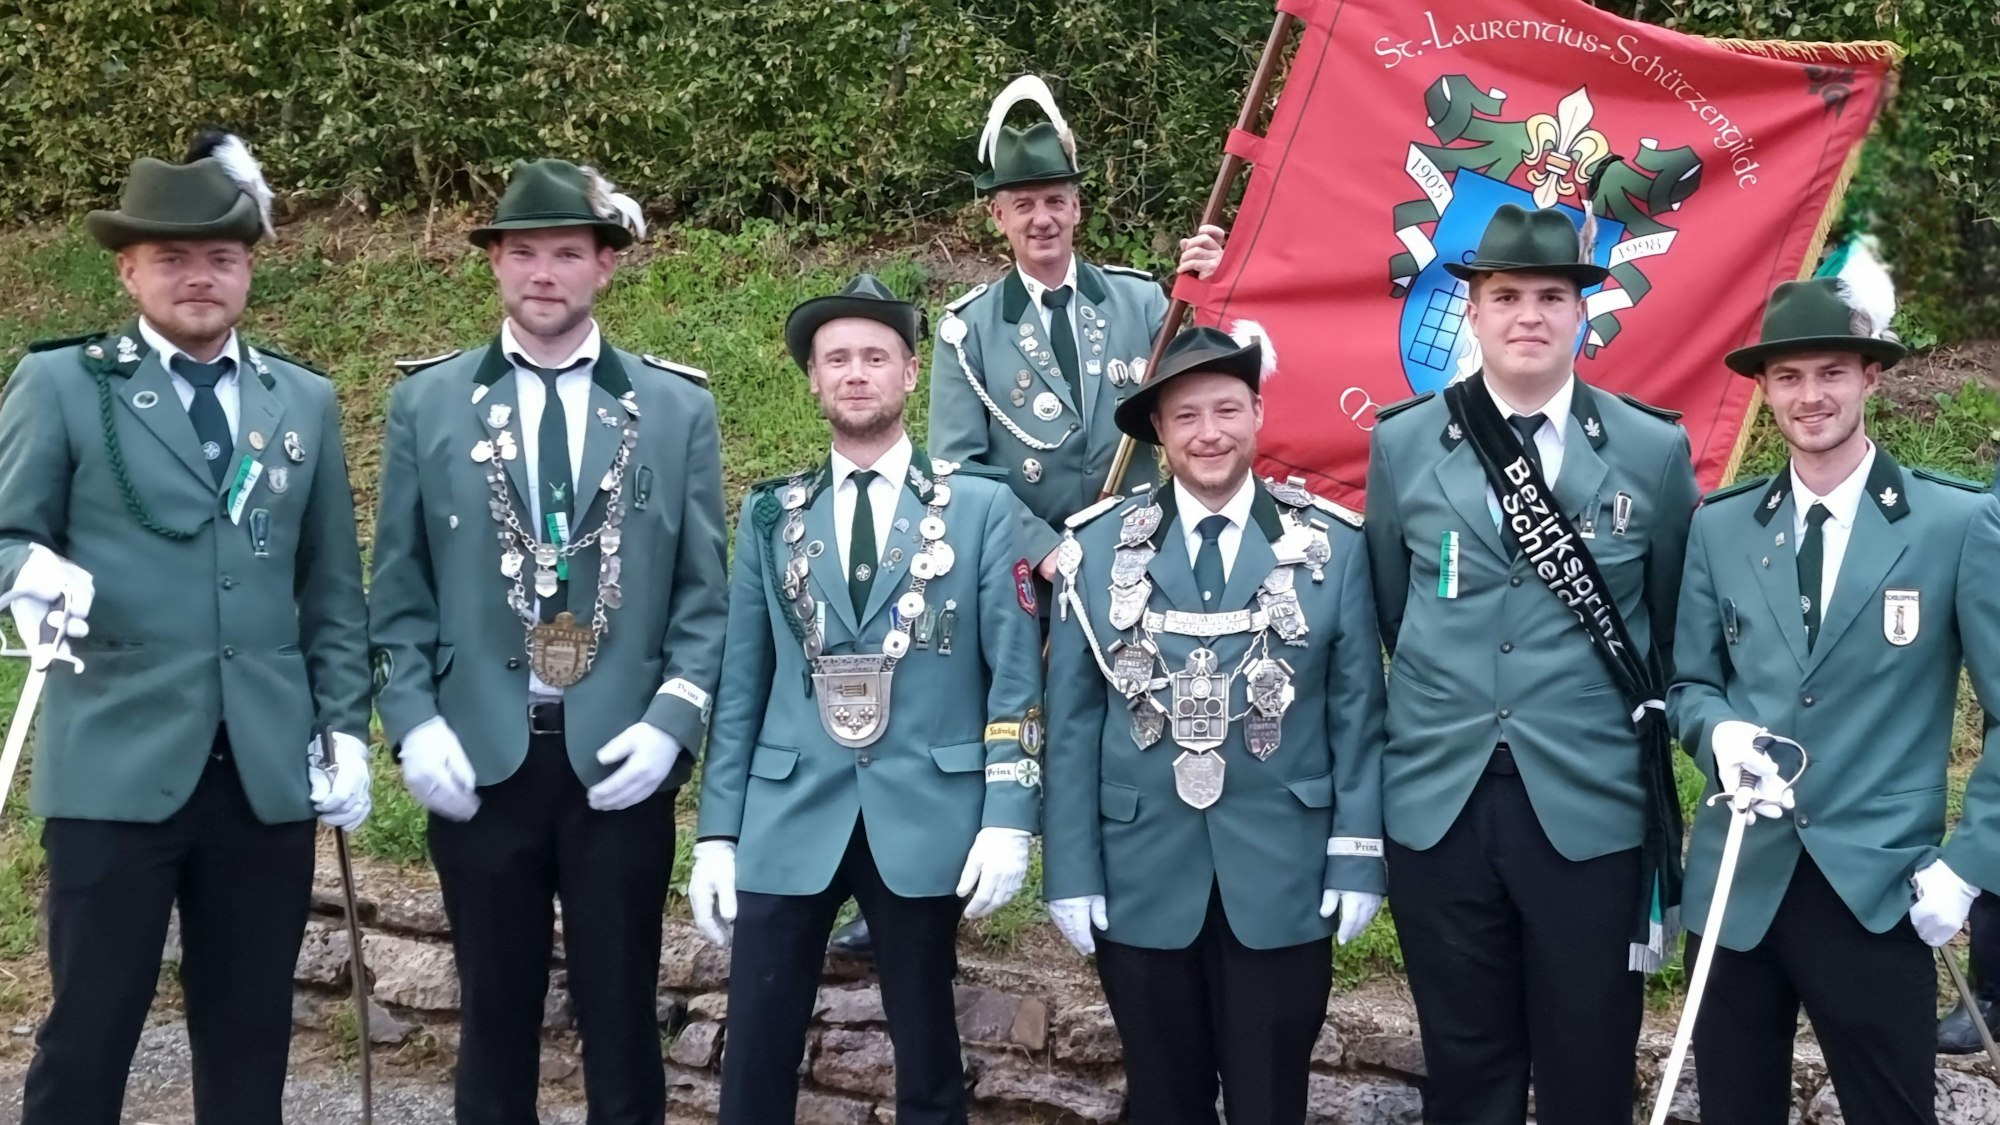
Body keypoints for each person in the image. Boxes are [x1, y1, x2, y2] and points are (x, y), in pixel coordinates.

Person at [0, 133, 372, 1125]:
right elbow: (4, 536)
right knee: (89, 1030)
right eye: (172, 257)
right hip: (117, 761)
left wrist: (341, 727)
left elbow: (330, 588)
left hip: (261, 771)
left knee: (250, 1032)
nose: (199, 276)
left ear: (251, 266)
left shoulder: (303, 400)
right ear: (128, 268)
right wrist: (22, 567)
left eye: (221, 256)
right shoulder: (67, 385)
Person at [824, 72, 1222, 961]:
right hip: (1024, 565)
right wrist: (1045, 554)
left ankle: (1130, 874)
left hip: (1139, 557)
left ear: (1078, 208)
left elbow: (1202, 392)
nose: (1041, 219)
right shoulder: (969, 331)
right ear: (995, 220)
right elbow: (961, 470)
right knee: (970, 716)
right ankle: (916, 888)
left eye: (1055, 200)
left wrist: (1212, 283)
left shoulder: (1145, 303)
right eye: (1021, 205)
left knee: (1135, 724)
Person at [367, 158, 729, 1125]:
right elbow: (397, 589)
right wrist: (412, 724)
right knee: (493, 1016)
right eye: (520, 251)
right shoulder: (428, 403)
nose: (542, 272)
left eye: (567, 252)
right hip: (481, 755)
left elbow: (704, 597)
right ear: (494, 264)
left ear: (605, 265)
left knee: (621, 1017)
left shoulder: (676, 407)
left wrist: (672, 723)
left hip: (617, 759)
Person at [1362, 202, 1699, 1124]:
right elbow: (1396, 609)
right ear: (1471, 310)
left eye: (1552, 295)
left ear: (1581, 313)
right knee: (1466, 1062)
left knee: (1589, 1059)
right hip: (1442, 796)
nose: (1528, 315)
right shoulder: (1401, 444)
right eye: (1505, 294)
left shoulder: (1651, 451)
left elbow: (1667, 629)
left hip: (1588, 800)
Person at [685, 274, 1042, 1125]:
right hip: (788, 805)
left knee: (928, 1054)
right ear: (812, 379)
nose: (856, 373)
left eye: (875, 356)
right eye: (836, 358)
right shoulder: (771, 513)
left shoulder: (983, 508)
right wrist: (716, 832)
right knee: (757, 1047)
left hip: (926, 806)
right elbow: (745, 681)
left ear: (911, 375)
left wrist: (1008, 813)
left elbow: (1014, 675)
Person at [1669, 275, 2000, 1124]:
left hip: (1878, 886)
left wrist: (1968, 866)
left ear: (1870, 378)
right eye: (1788, 377)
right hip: (1741, 877)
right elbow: (1689, 686)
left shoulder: (1953, 524)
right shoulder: (1722, 527)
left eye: (1830, 372)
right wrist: (1720, 733)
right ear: (1764, 389)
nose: (1809, 395)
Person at [1041, 324, 1386, 1125]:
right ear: (1158, 430)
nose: (1209, 433)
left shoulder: (1331, 547)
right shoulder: (1097, 549)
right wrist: (1072, 867)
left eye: (1227, 409)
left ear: (1259, 414)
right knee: (1163, 1100)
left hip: (1283, 871)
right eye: (1187, 415)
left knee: (1271, 1101)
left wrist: (1357, 856)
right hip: (1139, 873)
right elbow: (1071, 728)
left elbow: (1358, 714)